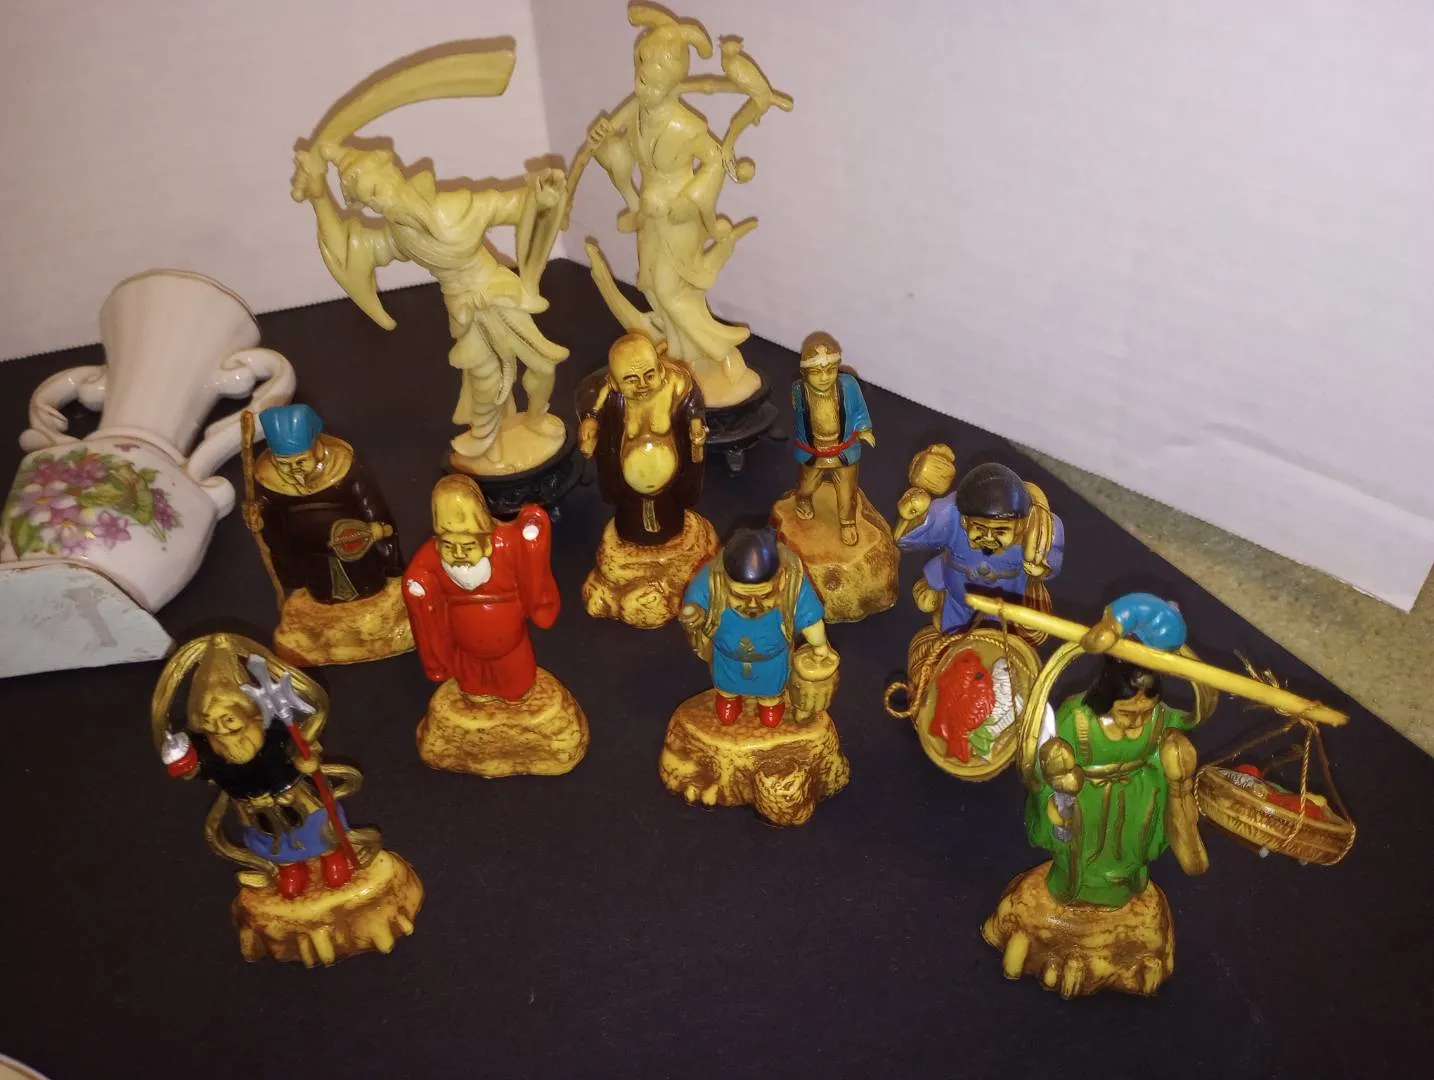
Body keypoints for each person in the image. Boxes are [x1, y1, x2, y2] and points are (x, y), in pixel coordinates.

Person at [291, 145, 569, 468]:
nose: (381, 203)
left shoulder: (453, 206)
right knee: (485, 379)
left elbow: (512, 204)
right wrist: (319, 197)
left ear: (392, 174)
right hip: (463, 309)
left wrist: (541, 199)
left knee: (541, 364)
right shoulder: (400, 236)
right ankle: (487, 441)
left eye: (377, 190)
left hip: (499, 293)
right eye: (371, 203)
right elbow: (348, 251)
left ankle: (536, 416)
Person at [154, 634, 378, 899]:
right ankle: (290, 870)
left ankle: (333, 857)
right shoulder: (208, 748)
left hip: (294, 797)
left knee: (319, 831)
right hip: (251, 807)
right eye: (210, 723)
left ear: (251, 715)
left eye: (228, 719)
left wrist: (306, 761)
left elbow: (300, 748)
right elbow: (201, 770)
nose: (221, 729)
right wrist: (186, 765)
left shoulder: (274, 733)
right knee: (272, 844)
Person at [1025, 595, 1207, 907]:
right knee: (1082, 851)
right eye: (1126, 713)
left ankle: (1123, 889)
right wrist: (1057, 788)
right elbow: (1046, 767)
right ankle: (1074, 888)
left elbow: (1193, 716)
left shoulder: (1159, 718)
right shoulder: (1077, 718)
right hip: (1087, 800)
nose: (1136, 721)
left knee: (1130, 848)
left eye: (1145, 712)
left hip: (1138, 800)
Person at [402, 475, 559, 700]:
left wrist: (531, 532)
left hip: (510, 647)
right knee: (473, 687)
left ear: (484, 542)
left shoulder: (504, 545)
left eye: (467, 546)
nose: (458, 554)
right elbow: (418, 574)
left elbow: (527, 544)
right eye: (449, 546)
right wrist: (418, 585)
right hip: (466, 649)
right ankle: (476, 692)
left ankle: (515, 692)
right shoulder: (434, 557)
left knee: (516, 686)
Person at [247, 404, 402, 605]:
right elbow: (270, 514)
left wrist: (376, 530)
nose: (294, 470)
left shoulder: (345, 467)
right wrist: (258, 515)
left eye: (301, 461)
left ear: (316, 447)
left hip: (354, 543)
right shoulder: (267, 478)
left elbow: (370, 504)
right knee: (322, 592)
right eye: (283, 464)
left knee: (367, 586)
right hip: (310, 553)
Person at [679, 528, 828, 727]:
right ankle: (729, 699)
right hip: (727, 658)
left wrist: (819, 645)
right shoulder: (713, 579)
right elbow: (694, 601)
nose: (752, 605)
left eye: (763, 596)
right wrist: (694, 613)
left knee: (770, 689)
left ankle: (769, 704)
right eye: (740, 596)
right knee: (727, 685)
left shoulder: (792, 582)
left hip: (772, 660)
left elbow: (810, 618)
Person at [896, 459, 1064, 636]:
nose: (989, 537)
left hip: (1003, 603)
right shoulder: (952, 518)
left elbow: (1051, 557)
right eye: (980, 528)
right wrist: (914, 514)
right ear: (964, 521)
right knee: (951, 635)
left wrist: (1041, 569)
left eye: (1001, 530)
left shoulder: (1030, 534)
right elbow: (913, 537)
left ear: (1019, 526)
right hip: (957, 597)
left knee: (996, 638)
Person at [580, 332, 707, 543]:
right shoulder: (609, 397)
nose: (642, 385)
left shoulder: (677, 387)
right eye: (631, 380)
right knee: (629, 527)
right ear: (615, 382)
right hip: (627, 489)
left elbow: (694, 408)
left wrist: (696, 428)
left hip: (671, 482)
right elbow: (588, 398)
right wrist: (590, 420)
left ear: (660, 370)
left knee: (673, 522)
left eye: (649, 376)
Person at [789, 333, 874, 546]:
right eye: (816, 372)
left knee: (846, 491)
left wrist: (864, 429)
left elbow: (859, 410)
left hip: (844, 450)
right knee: (807, 485)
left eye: (830, 370)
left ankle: (847, 522)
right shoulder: (799, 391)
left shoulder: (848, 386)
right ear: (804, 373)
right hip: (813, 452)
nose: (825, 377)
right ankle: (803, 500)